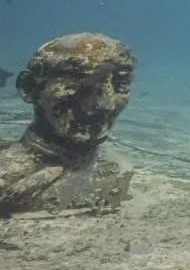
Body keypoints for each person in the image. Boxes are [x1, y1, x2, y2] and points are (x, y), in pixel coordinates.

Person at [1, 33, 136, 215]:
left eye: (120, 84)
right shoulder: (7, 177)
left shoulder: (117, 168)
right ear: (29, 88)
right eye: (81, 84)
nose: (105, 104)